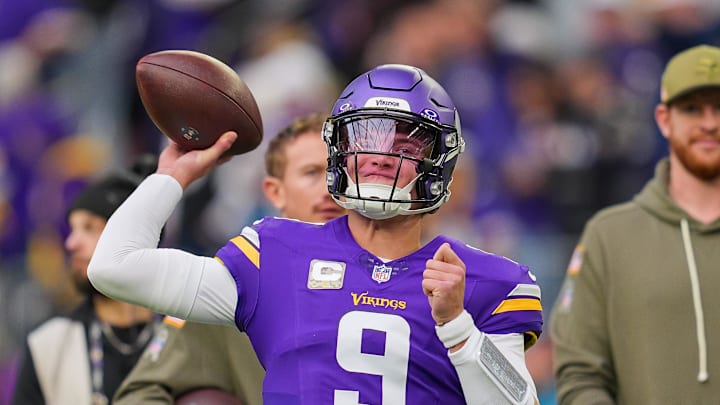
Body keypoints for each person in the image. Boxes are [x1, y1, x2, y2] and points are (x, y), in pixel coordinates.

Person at [88, 64, 543, 404]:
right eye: (365, 140)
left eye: (403, 145)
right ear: (339, 152)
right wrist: (172, 177)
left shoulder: (488, 281)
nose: (381, 157)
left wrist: (459, 327)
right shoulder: (276, 252)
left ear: (440, 162)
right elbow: (114, 267)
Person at [113, 113, 346, 405]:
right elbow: (141, 394)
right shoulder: (236, 279)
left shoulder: (405, 274)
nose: (329, 188)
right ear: (275, 192)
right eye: (311, 173)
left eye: (338, 171)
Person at [551, 44, 720, 404]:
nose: (709, 122)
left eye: (719, 108)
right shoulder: (609, 237)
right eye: (692, 108)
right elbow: (580, 373)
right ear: (664, 119)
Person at [12, 167, 158, 405]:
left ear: (133, 239)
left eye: (89, 228)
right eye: (72, 229)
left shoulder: (183, 335)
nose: (71, 243)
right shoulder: (47, 345)